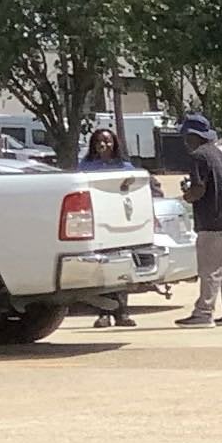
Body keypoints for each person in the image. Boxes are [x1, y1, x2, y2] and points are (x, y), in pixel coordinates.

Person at [178, 113, 222, 327]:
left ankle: (203, 312)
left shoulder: (198, 156)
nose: (185, 141)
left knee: (211, 269)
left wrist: (187, 195)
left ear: (193, 136)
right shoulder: (220, 154)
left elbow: (199, 190)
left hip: (214, 220)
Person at [79, 124, 141, 325]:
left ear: (114, 143)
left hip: (120, 223)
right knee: (101, 269)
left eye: (107, 141)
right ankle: (103, 314)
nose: (103, 144)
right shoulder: (86, 166)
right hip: (97, 223)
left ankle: (122, 313)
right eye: (98, 141)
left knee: (122, 268)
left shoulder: (125, 167)